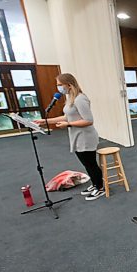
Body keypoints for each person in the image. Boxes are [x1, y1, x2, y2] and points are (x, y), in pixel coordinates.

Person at [35, 73, 104, 201]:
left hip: (86, 137)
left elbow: (88, 120)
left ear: (69, 85)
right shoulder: (70, 98)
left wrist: (68, 124)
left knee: (90, 164)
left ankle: (100, 188)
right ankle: (95, 184)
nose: (58, 88)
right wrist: (46, 121)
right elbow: (67, 117)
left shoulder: (80, 99)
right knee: (86, 163)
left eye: (60, 85)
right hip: (77, 136)